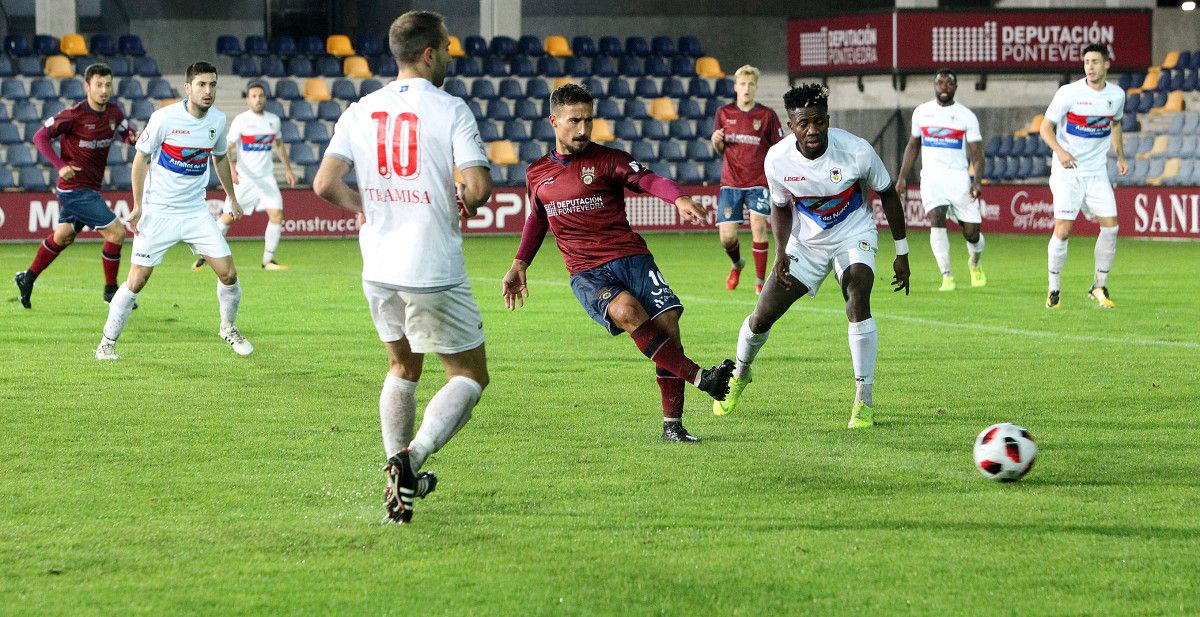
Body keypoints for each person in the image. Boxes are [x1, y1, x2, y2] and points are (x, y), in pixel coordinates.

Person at [313, 11, 490, 525]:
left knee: (402, 367)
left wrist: (362, 206)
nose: (452, 56)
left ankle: (393, 468)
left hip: (379, 268)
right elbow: (477, 190)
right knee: (469, 375)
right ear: (430, 54)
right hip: (432, 266)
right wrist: (466, 193)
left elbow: (325, 184)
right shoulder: (451, 108)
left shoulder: (361, 109)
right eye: (448, 48)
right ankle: (410, 461)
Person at [501, 83, 735, 443]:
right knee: (627, 312)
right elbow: (537, 218)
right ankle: (704, 378)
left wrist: (679, 198)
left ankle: (673, 426)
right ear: (553, 121)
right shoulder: (537, 173)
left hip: (632, 258)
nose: (583, 129)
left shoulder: (609, 159)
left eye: (588, 120)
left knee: (669, 326)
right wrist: (520, 263)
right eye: (574, 120)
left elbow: (649, 179)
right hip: (587, 271)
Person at [713, 84, 911, 429]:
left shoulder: (857, 151)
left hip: (853, 233)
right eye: (804, 123)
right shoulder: (776, 159)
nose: (813, 130)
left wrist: (902, 252)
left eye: (819, 121)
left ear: (828, 119)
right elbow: (780, 207)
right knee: (761, 317)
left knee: (857, 292)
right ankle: (740, 375)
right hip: (805, 243)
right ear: (792, 124)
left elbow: (887, 193)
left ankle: (863, 399)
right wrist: (781, 253)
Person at [95, 61, 252, 360]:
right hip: (159, 212)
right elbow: (140, 160)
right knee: (137, 279)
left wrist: (231, 197)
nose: (208, 91)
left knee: (228, 273)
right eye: (202, 85)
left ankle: (228, 328)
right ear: (188, 88)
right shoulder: (164, 118)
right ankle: (107, 341)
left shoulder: (217, 121)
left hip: (195, 212)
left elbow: (219, 158)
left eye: (213, 85)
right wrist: (139, 205)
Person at [13, 63, 137, 309]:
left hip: (90, 187)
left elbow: (125, 133)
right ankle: (111, 291)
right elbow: (39, 137)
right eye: (98, 85)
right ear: (87, 87)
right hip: (74, 189)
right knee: (117, 233)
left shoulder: (114, 113)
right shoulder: (74, 114)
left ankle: (27, 278)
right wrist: (59, 165)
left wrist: (133, 138)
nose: (104, 90)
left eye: (107, 85)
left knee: (64, 236)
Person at [1039, 43, 1127, 309]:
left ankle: (1098, 286)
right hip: (1069, 172)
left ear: (1106, 64)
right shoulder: (1069, 93)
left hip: (1097, 172)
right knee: (1063, 231)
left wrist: (1121, 156)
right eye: (1087, 61)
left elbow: (1115, 124)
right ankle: (1054, 289)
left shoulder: (1117, 95)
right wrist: (1061, 151)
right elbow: (1045, 128)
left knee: (1111, 227)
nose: (1090, 66)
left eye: (1095, 61)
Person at [895, 69, 986, 291]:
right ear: (934, 86)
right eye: (940, 82)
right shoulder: (922, 112)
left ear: (955, 87)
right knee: (936, 219)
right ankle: (947, 276)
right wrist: (902, 178)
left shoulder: (966, 116)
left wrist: (977, 181)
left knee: (971, 233)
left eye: (949, 83)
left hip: (958, 179)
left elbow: (977, 153)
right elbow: (913, 145)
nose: (944, 86)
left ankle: (975, 262)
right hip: (932, 178)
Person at [193, 81, 296, 272]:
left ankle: (268, 261)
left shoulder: (273, 120)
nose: (258, 99)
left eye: (261, 96)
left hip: (266, 178)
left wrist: (288, 169)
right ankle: (205, 254)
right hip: (245, 179)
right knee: (228, 217)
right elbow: (227, 148)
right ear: (248, 99)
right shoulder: (241, 120)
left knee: (276, 215)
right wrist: (231, 169)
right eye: (254, 96)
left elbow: (279, 145)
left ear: (265, 98)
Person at [711, 64, 784, 295]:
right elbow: (719, 150)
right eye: (742, 84)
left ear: (756, 88)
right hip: (731, 182)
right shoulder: (724, 113)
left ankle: (760, 282)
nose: (746, 88)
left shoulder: (767, 115)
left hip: (758, 182)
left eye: (751, 84)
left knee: (758, 226)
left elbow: (778, 148)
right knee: (726, 238)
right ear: (735, 87)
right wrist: (716, 141)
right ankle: (737, 264)